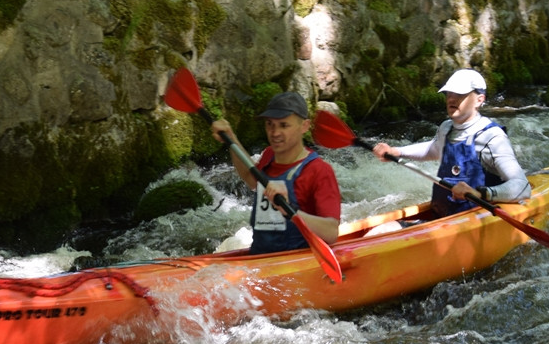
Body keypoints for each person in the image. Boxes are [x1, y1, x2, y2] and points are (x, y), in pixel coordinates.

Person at [370, 69, 531, 228]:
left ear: (479, 99)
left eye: (460, 94)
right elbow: (433, 149)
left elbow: (522, 187)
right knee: (381, 230)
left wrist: (480, 193)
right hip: (443, 218)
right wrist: (397, 151)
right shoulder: (446, 128)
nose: (451, 98)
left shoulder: (492, 137)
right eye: (448, 93)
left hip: (473, 222)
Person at [211, 92, 341, 254]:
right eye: (270, 124)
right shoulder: (269, 156)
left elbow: (331, 233)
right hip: (260, 257)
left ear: (305, 126)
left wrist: (291, 211)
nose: (275, 132)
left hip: (296, 261)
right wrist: (231, 140)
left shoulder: (319, 170)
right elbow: (251, 180)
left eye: (284, 125)